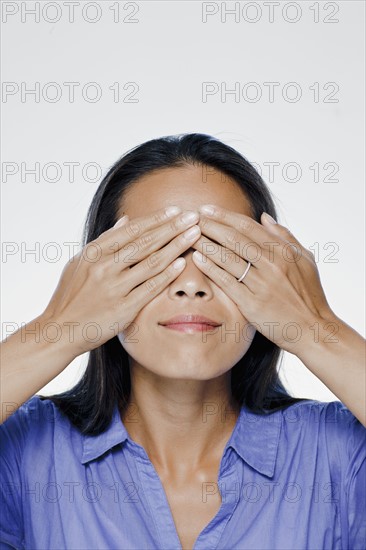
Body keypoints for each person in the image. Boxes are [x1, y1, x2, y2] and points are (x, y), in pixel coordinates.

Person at [1, 133, 365, 550]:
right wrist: (60, 328)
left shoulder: (339, 455)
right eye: (156, 253)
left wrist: (316, 327)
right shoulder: (24, 455)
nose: (191, 284)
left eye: (222, 253)